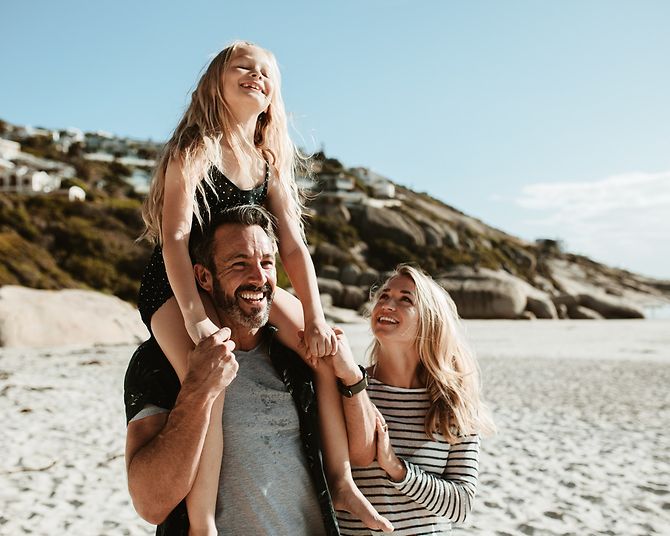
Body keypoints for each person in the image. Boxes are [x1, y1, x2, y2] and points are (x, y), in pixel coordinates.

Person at [137, 41, 385, 533]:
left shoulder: (266, 161)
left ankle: (339, 480)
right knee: (208, 378)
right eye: (242, 67)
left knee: (324, 352)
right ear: (216, 83)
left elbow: (293, 248)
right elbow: (175, 240)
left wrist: (314, 318)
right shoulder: (194, 149)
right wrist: (196, 318)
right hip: (178, 283)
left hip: (244, 275)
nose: (256, 75)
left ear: (274, 95)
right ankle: (203, 519)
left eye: (266, 72)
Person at [125, 205, 389, 535]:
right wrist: (197, 391)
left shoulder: (300, 356)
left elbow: (365, 453)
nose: (259, 277)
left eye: (266, 263)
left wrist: (352, 377)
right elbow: (151, 505)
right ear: (203, 277)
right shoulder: (160, 362)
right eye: (239, 264)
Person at [332, 264, 496, 535]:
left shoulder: (453, 401)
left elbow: (462, 504)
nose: (387, 304)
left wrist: (397, 468)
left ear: (429, 320)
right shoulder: (349, 387)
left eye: (405, 299)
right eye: (383, 296)